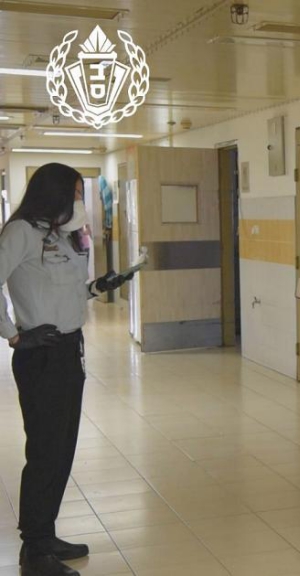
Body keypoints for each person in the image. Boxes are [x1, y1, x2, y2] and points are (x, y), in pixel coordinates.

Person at [0, 164, 133, 576]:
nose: (79, 200)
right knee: (45, 452)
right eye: (75, 193)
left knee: (62, 450)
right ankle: (34, 551)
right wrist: (13, 334)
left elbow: (64, 290)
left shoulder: (59, 235)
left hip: (68, 351)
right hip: (40, 353)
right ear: (53, 193)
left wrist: (97, 287)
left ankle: (45, 534)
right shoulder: (20, 232)